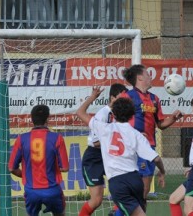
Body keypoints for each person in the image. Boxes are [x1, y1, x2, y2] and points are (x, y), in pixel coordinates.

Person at [76, 86, 166, 216]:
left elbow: (80, 112)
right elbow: (156, 158)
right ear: (132, 115)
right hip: (135, 180)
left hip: (118, 182)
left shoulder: (104, 129)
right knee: (137, 210)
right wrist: (162, 172)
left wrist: (92, 97)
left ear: (114, 114)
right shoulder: (136, 134)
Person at [119, 64, 182, 205]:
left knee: (145, 190)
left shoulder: (154, 99)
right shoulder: (127, 96)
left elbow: (160, 124)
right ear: (140, 77)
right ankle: (121, 211)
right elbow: (117, 120)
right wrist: (133, 134)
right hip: (133, 148)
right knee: (135, 188)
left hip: (149, 148)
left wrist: (173, 118)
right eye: (148, 74)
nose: (150, 76)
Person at [8, 105, 69, 216]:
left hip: (31, 191)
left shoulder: (21, 139)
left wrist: (27, 175)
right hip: (52, 190)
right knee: (61, 213)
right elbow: (65, 168)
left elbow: (11, 168)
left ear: (32, 120)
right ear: (48, 119)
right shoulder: (57, 138)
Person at [79, 83, 128, 216]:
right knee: (96, 200)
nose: (124, 100)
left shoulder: (122, 115)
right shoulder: (103, 114)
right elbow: (95, 142)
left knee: (124, 191)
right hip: (95, 158)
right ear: (112, 98)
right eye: (121, 97)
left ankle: (115, 212)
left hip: (110, 156)